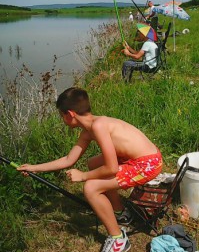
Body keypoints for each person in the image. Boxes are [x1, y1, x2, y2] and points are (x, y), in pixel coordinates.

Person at [17, 87, 162, 252]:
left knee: (91, 188)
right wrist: (34, 168)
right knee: (93, 163)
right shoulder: (90, 128)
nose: (62, 119)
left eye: (61, 115)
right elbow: (68, 159)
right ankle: (120, 211)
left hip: (147, 165)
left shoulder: (98, 126)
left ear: (70, 114)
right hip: (140, 158)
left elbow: (112, 168)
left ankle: (118, 240)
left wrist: (83, 176)